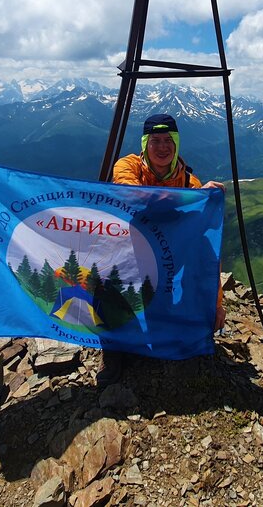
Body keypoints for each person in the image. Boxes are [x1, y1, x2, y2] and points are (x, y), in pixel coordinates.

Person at [98, 113, 225, 386]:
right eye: (155, 141)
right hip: (127, 252)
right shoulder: (128, 166)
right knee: (108, 285)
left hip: (166, 258)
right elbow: (128, 191)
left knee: (199, 251)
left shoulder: (190, 184)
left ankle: (184, 334)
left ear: (177, 143)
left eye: (169, 140)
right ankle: (114, 351)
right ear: (145, 144)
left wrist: (216, 305)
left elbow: (208, 253)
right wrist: (188, 200)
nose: (163, 147)